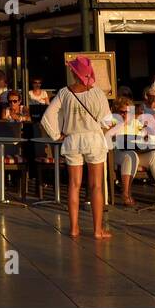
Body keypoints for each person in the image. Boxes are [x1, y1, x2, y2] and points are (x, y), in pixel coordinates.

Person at [39, 55, 114, 239]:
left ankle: (74, 228)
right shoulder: (97, 93)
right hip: (94, 139)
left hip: (72, 140)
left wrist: (57, 134)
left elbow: (47, 117)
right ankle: (97, 230)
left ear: (73, 73)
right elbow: (107, 121)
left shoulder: (65, 92)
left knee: (74, 185)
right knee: (96, 186)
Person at [110, 96, 155, 207]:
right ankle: (125, 193)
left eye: (128, 112)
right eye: (122, 112)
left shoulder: (135, 122)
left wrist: (147, 136)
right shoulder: (112, 122)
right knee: (130, 156)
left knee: (154, 155)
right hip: (115, 155)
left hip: (136, 154)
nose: (125, 115)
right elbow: (110, 139)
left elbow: (144, 136)